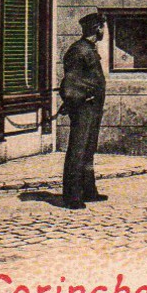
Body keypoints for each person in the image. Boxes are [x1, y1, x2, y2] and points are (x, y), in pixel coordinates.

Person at [58, 11, 108, 210]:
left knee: (88, 150)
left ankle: (89, 191)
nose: (104, 30)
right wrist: (81, 98)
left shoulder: (88, 49)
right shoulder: (79, 50)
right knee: (78, 150)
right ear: (96, 28)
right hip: (83, 108)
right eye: (102, 26)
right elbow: (70, 84)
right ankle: (72, 196)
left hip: (93, 108)